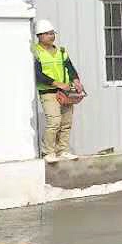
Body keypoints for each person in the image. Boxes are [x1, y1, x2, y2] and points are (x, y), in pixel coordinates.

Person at [32, 19, 83, 162]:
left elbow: (70, 67)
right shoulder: (35, 52)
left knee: (66, 122)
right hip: (48, 92)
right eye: (48, 34)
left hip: (65, 92)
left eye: (52, 33)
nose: (52, 36)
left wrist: (76, 80)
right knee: (54, 122)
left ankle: (63, 150)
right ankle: (48, 152)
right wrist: (58, 83)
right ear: (40, 36)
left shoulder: (61, 51)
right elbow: (38, 74)